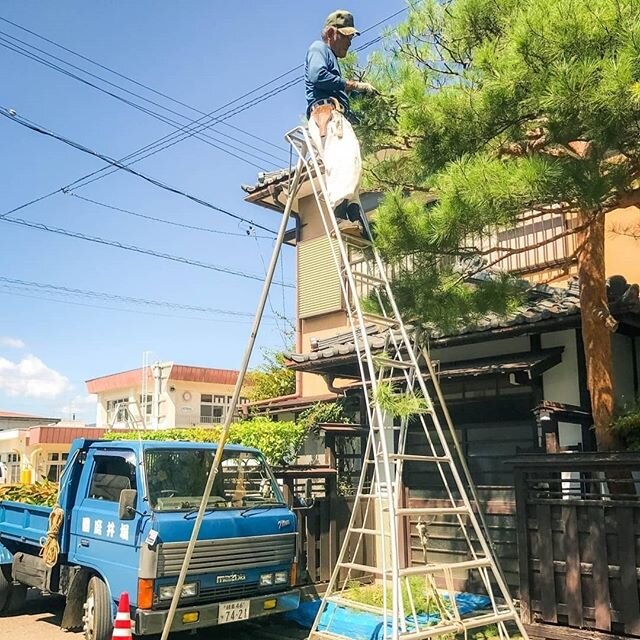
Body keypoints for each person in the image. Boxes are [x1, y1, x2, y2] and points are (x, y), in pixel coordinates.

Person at [305, 10, 377, 237]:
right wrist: (355, 85)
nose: (349, 41)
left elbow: (336, 87)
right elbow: (318, 76)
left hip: (337, 114)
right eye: (345, 36)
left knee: (354, 161)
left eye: (350, 37)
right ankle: (338, 214)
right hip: (326, 115)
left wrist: (362, 95)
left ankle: (354, 214)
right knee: (342, 160)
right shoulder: (319, 49)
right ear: (330, 33)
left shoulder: (332, 58)